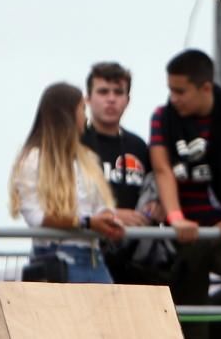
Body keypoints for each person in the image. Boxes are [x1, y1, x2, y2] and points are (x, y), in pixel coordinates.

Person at [150, 49, 221, 339]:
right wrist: (176, 219)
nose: (174, 97)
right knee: (190, 307)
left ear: (205, 88)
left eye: (180, 91)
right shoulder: (163, 117)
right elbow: (163, 171)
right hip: (185, 234)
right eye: (170, 90)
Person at [11, 82, 124, 283]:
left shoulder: (87, 159)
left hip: (94, 258)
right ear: (67, 115)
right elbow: (36, 217)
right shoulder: (33, 159)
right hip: (55, 258)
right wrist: (88, 222)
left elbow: (100, 207)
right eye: (82, 109)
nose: (86, 117)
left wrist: (108, 220)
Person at [79, 61, 166, 284]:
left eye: (118, 92)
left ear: (127, 100)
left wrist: (156, 207)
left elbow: (156, 186)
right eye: (103, 91)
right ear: (88, 98)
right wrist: (114, 214)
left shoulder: (138, 146)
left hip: (135, 258)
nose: (111, 99)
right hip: (88, 252)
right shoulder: (76, 144)